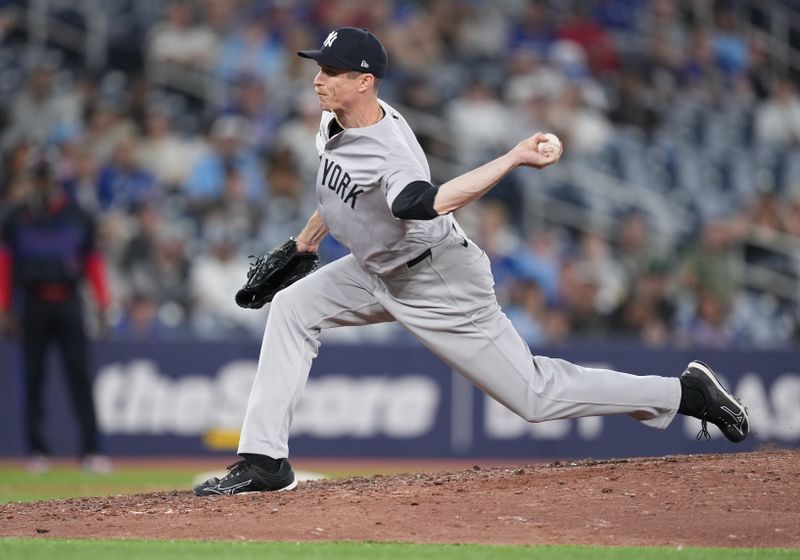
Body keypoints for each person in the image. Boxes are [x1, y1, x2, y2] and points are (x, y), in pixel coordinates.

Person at [193, 27, 749, 496]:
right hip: (375, 267)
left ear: (365, 82)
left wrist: (512, 157)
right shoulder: (334, 121)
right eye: (320, 66)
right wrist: (303, 246)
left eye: (333, 71)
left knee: (534, 396)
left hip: (435, 277)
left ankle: (683, 393)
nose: (319, 77)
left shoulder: (392, 149)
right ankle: (267, 461)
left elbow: (422, 202)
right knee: (292, 308)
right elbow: (337, 195)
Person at [0, 153, 112, 474]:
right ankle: (37, 451)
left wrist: (103, 303)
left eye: (46, 179)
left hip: (68, 302)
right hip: (32, 303)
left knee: (79, 378)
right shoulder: (16, 217)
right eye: (37, 179)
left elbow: (92, 263)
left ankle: (91, 450)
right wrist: (5, 306)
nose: (41, 185)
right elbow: (5, 264)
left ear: (57, 181)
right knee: (33, 378)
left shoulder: (77, 216)